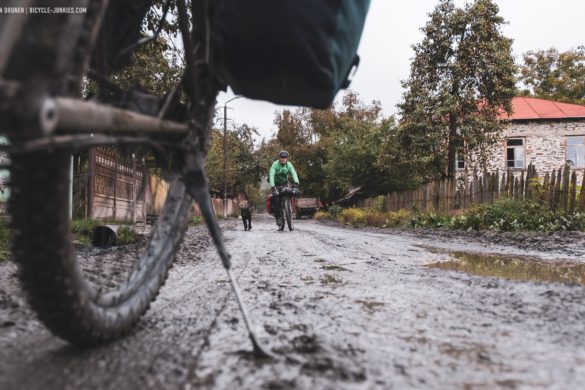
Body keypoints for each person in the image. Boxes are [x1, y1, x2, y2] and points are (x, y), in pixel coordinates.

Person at [268, 150, 300, 228]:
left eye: (285, 157)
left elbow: (293, 172)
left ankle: (289, 207)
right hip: (276, 184)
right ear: (279, 158)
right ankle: (278, 217)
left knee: (290, 192)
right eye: (282, 157)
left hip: (285, 183)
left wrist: (296, 182)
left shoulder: (289, 165)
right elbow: (271, 174)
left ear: (287, 158)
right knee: (276, 199)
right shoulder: (275, 164)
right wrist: (272, 186)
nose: (283, 159)